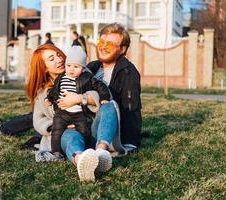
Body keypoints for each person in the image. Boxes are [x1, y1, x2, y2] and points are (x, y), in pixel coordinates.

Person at [26, 43, 125, 181]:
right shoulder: (42, 93)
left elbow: (103, 93)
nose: (59, 59)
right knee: (69, 135)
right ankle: (81, 161)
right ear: (44, 68)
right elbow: (38, 120)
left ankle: (101, 151)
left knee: (111, 105)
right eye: (51, 58)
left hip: (90, 128)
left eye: (59, 54)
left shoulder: (83, 74)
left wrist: (79, 98)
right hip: (67, 132)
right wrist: (59, 125)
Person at [45, 46, 110, 158]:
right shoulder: (61, 77)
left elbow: (100, 86)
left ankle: (87, 150)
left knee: (84, 130)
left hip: (79, 113)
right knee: (57, 131)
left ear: (83, 68)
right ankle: (56, 152)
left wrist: (104, 97)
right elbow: (54, 90)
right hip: (62, 113)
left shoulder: (87, 78)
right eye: (68, 66)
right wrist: (49, 98)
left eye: (76, 67)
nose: (71, 69)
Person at [87, 22, 142, 150]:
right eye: (101, 42)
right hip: (87, 125)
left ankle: (101, 149)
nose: (103, 47)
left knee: (108, 105)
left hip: (111, 131)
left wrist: (129, 142)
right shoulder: (91, 67)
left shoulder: (128, 72)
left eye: (110, 44)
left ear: (122, 49)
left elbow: (130, 110)